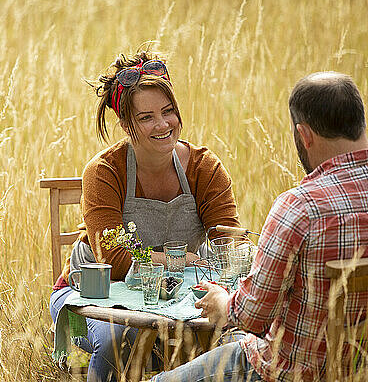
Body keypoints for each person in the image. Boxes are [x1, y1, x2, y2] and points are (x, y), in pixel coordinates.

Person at [151, 71, 368, 382]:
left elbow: (252, 316)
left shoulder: (300, 207)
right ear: (360, 124)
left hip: (284, 372)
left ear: (304, 135)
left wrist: (222, 301)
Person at [49, 51, 241, 382]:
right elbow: (115, 259)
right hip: (89, 297)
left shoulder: (203, 167)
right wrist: (182, 260)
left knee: (230, 337)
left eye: (168, 112)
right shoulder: (105, 171)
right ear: (126, 125)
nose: (163, 125)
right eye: (147, 117)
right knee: (118, 340)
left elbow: (230, 244)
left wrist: (217, 267)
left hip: (177, 299)